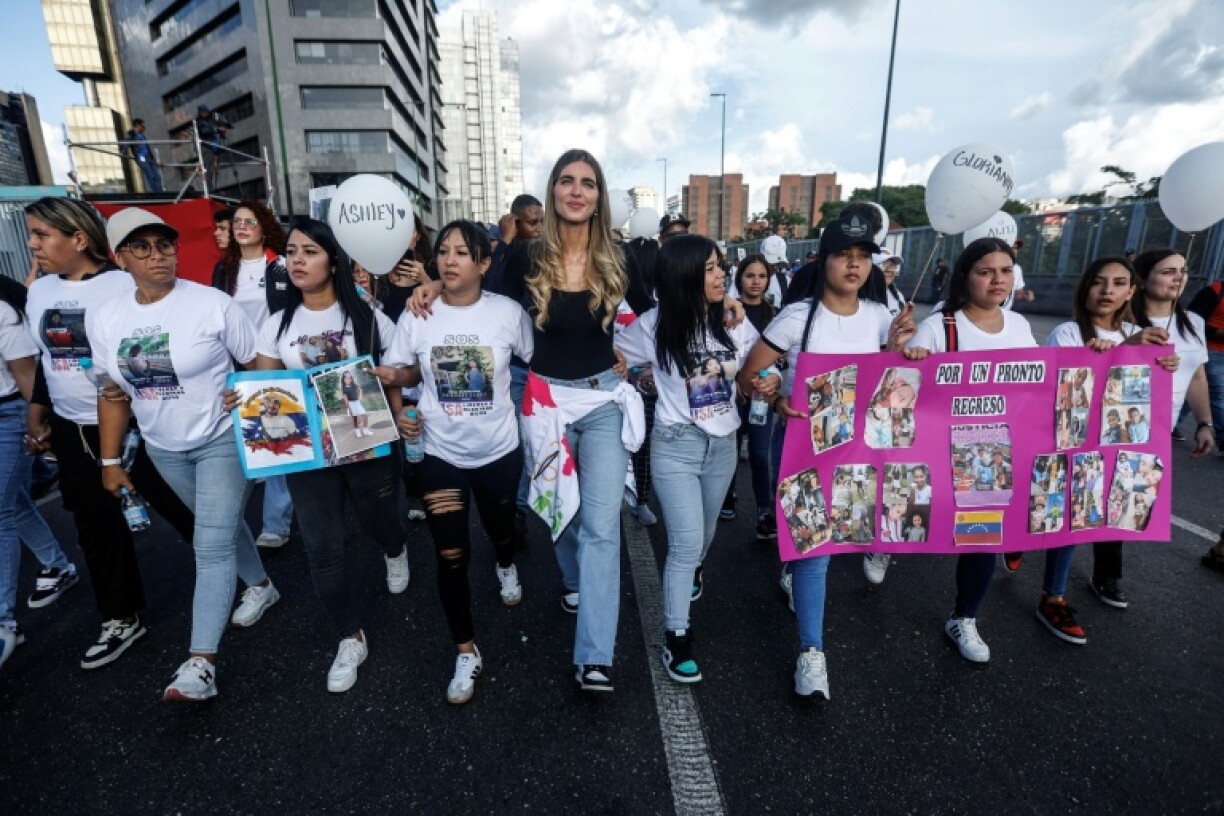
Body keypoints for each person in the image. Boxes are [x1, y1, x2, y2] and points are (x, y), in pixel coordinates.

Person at [408, 149, 668, 692]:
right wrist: (432, 285)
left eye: (588, 184)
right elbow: (474, 296)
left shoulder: (621, 258)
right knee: (561, 516)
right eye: (567, 182)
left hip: (601, 404)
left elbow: (655, 316)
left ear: (599, 196)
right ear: (553, 192)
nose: (577, 191)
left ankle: (594, 656)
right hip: (544, 405)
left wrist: (719, 311)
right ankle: (572, 581)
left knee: (601, 527)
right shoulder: (525, 256)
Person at [89, 207, 277, 702]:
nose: (159, 256)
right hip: (163, 448)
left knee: (210, 544)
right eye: (143, 248)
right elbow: (112, 393)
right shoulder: (107, 317)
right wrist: (110, 462)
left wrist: (248, 390)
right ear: (119, 257)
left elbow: (257, 358)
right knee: (222, 524)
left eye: (165, 245)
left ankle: (201, 664)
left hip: (221, 437)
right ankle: (260, 584)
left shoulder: (212, 304)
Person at [737, 210, 921, 698]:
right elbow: (748, 375)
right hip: (805, 448)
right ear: (825, 261)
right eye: (845, 256)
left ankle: (793, 570)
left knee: (837, 538)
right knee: (817, 549)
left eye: (864, 257)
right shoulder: (798, 316)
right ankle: (812, 653)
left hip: (862, 451)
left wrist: (906, 350)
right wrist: (776, 399)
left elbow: (900, 383)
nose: (855, 266)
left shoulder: (884, 318)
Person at [233, 216, 408, 694]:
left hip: (363, 439)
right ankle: (349, 636)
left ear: (333, 260)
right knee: (323, 546)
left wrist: (390, 378)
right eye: (291, 252)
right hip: (307, 452)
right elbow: (266, 385)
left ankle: (396, 547)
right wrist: (244, 397)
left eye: (309, 251)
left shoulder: (366, 314)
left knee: (379, 522)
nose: (297, 261)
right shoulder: (277, 323)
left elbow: (406, 368)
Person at [24, 197, 195, 670]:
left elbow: (161, 341)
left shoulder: (123, 284)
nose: (32, 243)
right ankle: (120, 617)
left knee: (183, 509)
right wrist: (38, 410)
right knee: (95, 525)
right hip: (71, 427)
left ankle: (237, 574)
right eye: (32, 233)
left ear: (78, 239)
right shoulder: (38, 291)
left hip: (137, 423)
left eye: (42, 234)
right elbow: (44, 358)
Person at [382, 219, 531, 704]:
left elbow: (541, 360)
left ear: (484, 264)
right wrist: (400, 407)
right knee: (450, 554)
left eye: (462, 253)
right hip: (440, 452)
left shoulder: (507, 313)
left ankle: (506, 562)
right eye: (443, 251)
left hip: (498, 450)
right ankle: (465, 650)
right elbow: (403, 371)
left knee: (501, 529)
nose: (448, 260)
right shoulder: (417, 315)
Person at [615, 234, 760, 683]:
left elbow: (763, 361)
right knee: (683, 545)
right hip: (676, 444)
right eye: (712, 268)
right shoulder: (652, 325)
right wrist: (638, 378)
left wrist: (767, 379)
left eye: (721, 266)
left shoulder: (732, 320)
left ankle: (694, 569)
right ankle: (676, 639)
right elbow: (618, 356)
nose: (723, 275)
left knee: (705, 536)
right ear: (685, 275)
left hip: (724, 447)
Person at [906, 237, 1037, 664]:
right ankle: (881, 545)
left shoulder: (1019, 325)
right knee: (912, 519)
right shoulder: (941, 326)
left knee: (982, 536)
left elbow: (1038, 384)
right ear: (966, 276)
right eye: (986, 271)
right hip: (935, 449)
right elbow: (909, 389)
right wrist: (913, 360)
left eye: (1005, 271)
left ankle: (965, 617)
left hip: (987, 452)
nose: (997, 280)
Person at [0, 275, 76, 670]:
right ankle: (59, 565)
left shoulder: (3, 313)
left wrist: (41, 427)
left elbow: (26, 375)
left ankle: (3, 623)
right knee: (12, 501)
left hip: (8, 415)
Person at [211, 200, 293, 550]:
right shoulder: (222, 270)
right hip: (238, 367)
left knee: (277, 440)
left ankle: (276, 523)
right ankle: (231, 525)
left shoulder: (282, 266)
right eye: (237, 222)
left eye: (250, 221)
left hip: (276, 363)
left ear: (264, 228)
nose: (242, 227)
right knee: (250, 441)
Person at [725, 253, 778, 539]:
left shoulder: (776, 315)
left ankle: (764, 511)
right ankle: (727, 495)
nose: (756, 281)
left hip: (761, 397)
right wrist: (736, 384)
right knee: (729, 451)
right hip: (731, 396)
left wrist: (773, 381)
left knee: (759, 454)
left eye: (761, 276)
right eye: (750, 275)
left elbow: (782, 357)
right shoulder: (729, 311)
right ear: (739, 278)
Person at [1186, 277, 1224, 452]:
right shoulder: (1215, 291)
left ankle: (1169, 424)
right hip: (1211, 350)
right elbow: (1192, 322)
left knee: (1194, 393)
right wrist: (1218, 332)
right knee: (1218, 395)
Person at [124, 119, 163, 194]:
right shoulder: (131, 134)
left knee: (157, 176)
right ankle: (157, 193)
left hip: (148, 157)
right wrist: (124, 151)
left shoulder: (142, 135)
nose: (143, 127)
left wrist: (154, 161)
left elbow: (147, 148)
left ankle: (160, 192)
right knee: (150, 174)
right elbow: (126, 143)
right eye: (142, 125)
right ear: (137, 125)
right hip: (141, 157)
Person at [1003, 240, 1036, 310]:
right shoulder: (989, 267)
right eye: (1011, 248)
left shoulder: (1017, 269)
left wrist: (1025, 295)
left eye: (1016, 248)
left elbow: (1017, 292)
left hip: (1004, 314)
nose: (1014, 251)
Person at [874, 250, 906, 318]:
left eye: (893, 265)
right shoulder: (861, 298)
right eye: (884, 265)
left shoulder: (898, 296)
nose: (890, 270)